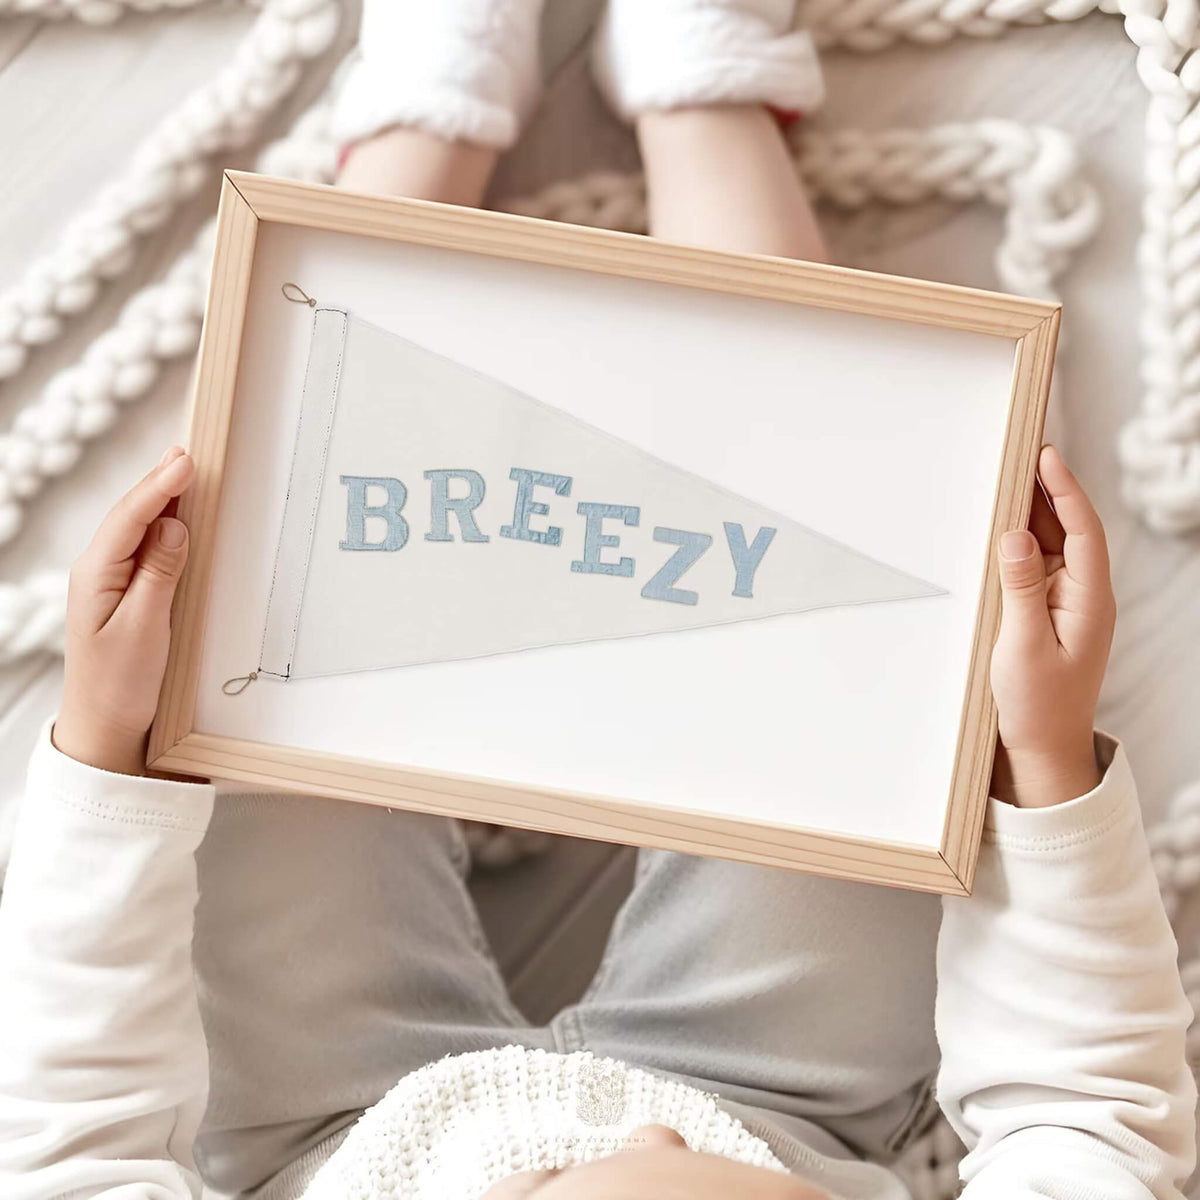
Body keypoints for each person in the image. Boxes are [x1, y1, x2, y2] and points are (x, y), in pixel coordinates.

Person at [0, 2, 1195, 1199]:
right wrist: (1043, 766)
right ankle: (707, 102)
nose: (649, 1147)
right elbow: (1092, 1118)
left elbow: (71, 1139)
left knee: (235, 612)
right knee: (872, 628)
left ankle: (418, 129)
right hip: (775, 1101)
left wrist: (106, 761)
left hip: (326, 1127)